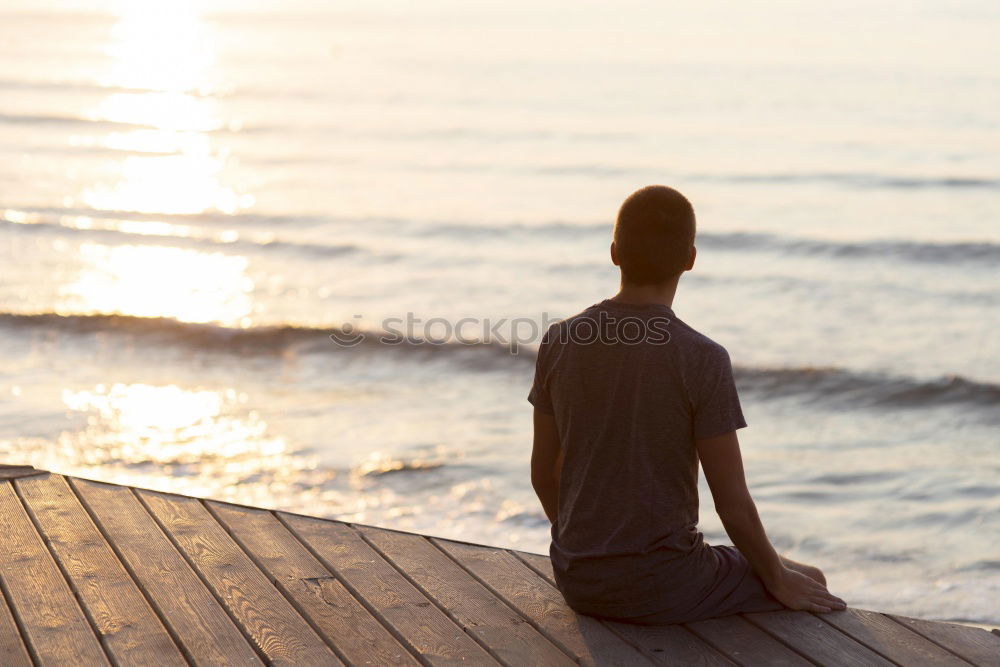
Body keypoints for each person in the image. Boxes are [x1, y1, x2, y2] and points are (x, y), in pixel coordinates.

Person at [528, 185, 847, 624]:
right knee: (809, 578)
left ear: (615, 252)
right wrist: (777, 578)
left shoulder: (560, 340)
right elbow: (732, 505)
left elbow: (544, 472)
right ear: (690, 258)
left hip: (577, 578)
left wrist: (584, 547)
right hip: (664, 584)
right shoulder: (701, 358)